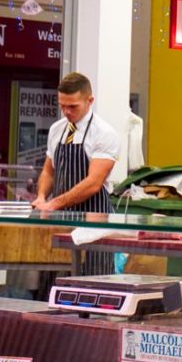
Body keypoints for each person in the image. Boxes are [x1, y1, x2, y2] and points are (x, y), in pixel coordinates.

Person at [33, 72, 120, 275]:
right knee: (55, 276)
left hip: (93, 219)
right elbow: (48, 170)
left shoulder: (104, 133)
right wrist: (41, 196)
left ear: (90, 101)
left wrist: (53, 204)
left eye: (72, 106)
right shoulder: (57, 129)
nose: (66, 112)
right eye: (62, 105)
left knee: (93, 279)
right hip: (61, 217)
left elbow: (93, 183)